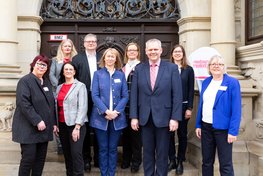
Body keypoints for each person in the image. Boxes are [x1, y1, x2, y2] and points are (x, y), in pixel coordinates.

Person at [130, 38, 183, 176]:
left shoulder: (171, 68)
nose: (153, 52)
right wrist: (134, 116)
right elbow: (134, 94)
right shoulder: (139, 69)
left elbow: (177, 95)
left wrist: (175, 118)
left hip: (165, 119)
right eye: (150, 49)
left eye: (155, 49)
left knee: (162, 152)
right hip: (145, 118)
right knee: (147, 152)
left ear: (161, 51)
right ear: (146, 52)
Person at [195, 55, 242, 176]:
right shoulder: (206, 82)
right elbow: (202, 104)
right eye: (213, 64)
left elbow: (236, 109)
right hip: (206, 128)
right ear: (209, 67)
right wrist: (198, 124)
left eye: (220, 64)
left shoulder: (232, 83)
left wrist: (233, 131)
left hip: (223, 130)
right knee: (206, 162)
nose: (216, 66)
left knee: (225, 164)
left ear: (224, 67)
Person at [12, 54, 56, 176]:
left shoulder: (46, 82)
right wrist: (37, 120)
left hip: (44, 129)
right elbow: (23, 103)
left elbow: (50, 105)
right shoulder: (25, 81)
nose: (42, 67)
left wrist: (53, 123)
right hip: (28, 128)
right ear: (33, 65)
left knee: (40, 161)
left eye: (45, 65)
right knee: (28, 159)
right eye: (39, 64)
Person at [90, 48, 129, 176]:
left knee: (113, 148)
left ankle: (111, 173)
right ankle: (103, 173)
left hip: (117, 118)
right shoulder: (98, 74)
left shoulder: (120, 75)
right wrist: (106, 111)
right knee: (102, 149)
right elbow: (95, 95)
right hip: (101, 118)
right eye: (108, 56)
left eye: (113, 56)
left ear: (116, 59)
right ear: (104, 58)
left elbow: (125, 96)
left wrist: (116, 112)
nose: (111, 58)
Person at [72, 33, 100, 171]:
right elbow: (72, 78)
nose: (91, 43)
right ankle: (86, 159)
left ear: (96, 43)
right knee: (84, 128)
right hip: (83, 98)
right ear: (84, 44)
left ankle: (99, 159)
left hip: (101, 99)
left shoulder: (102, 57)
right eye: (88, 41)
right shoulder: (77, 59)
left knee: (99, 128)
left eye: (93, 41)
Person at [55, 62, 88, 176]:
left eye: (71, 69)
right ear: (63, 72)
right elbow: (56, 107)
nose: (68, 71)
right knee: (67, 155)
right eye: (66, 69)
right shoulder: (59, 87)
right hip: (62, 125)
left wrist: (77, 127)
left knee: (76, 154)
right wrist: (55, 124)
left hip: (76, 126)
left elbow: (83, 107)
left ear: (74, 72)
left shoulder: (80, 86)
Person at [168, 45, 195, 175]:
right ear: (172, 54)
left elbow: (191, 90)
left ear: (183, 54)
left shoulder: (189, 70)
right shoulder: (167, 68)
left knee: (182, 134)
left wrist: (189, 108)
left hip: (184, 106)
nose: (177, 54)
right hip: (169, 107)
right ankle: (172, 159)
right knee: (169, 134)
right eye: (175, 52)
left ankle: (180, 161)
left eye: (180, 52)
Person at [50, 38, 78, 154]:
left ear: (72, 48)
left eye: (69, 46)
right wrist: (60, 86)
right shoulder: (55, 60)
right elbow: (51, 74)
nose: (67, 48)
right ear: (61, 48)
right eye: (65, 46)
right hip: (58, 91)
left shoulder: (76, 60)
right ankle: (60, 144)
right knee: (58, 116)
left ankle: (72, 140)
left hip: (72, 92)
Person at [121, 42, 142, 173]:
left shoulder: (142, 67)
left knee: (136, 137)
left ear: (138, 52)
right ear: (126, 53)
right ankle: (126, 159)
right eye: (130, 50)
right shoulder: (122, 68)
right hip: (124, 108)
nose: (132, 52)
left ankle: (136, 161)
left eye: (134, 50)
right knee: (125, 136)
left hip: (137, 108)